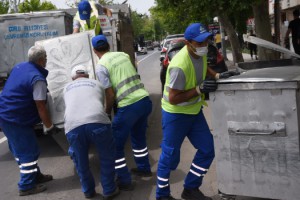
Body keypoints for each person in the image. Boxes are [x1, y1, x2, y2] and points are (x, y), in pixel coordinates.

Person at [156, 23, 236, 200]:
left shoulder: (201, 51)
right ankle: (162, 195)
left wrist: (216, 75)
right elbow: (173, 98)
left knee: (208, 149)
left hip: (194, 111)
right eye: (199, 43)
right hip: (175, 115)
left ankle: (190, 188)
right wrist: (199, 89)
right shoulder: (178, 65)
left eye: (205, 41)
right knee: (168, 157)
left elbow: (202, 67)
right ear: (188, 43)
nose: (203, 46)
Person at [92, 34, 153, 191]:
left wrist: (106, 113)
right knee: (138, 138)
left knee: (114, 145)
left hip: (129, 106)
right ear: (109, 46)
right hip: (144, 101)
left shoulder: (101, 66)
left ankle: (124, 180)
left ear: (94, 50)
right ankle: (144, 168)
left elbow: (110, 94)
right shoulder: (123, 55)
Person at [0, 45, 60, 196]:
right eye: (45, 58)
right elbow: (40, 105)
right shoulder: (37, 79)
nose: (46, 60)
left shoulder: (20, 67)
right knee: (29, 151)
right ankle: (26, 186)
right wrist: (50, 126)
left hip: (6, 114)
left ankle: (35, 176)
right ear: (41, 61)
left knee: (22, 149)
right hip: (15, 118)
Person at [63, 65, 119, 199]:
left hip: (73, 126)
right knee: (106, 156)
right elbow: (100, 102)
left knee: (80, 161)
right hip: (97, 121)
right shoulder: (97, 84)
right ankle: (109, 189)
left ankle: (88, 191)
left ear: (72, 78)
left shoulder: (66, 88)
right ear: (88, 75)